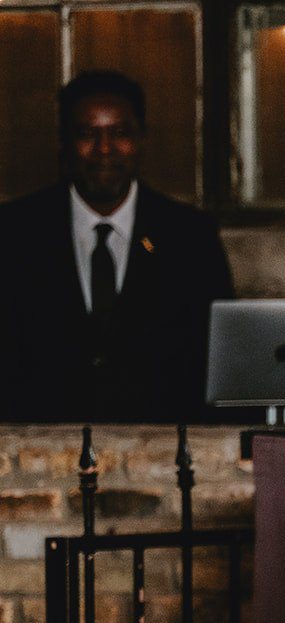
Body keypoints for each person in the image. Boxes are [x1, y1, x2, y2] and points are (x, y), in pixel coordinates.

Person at [0, 69, 236, 424]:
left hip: (160, 446)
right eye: (87, 134)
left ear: (141, 140)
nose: (104, 149)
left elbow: (218, 360)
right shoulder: (14, 233)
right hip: (38, 447)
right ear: (64, 143)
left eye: (120, 133)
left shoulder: (190, 237)